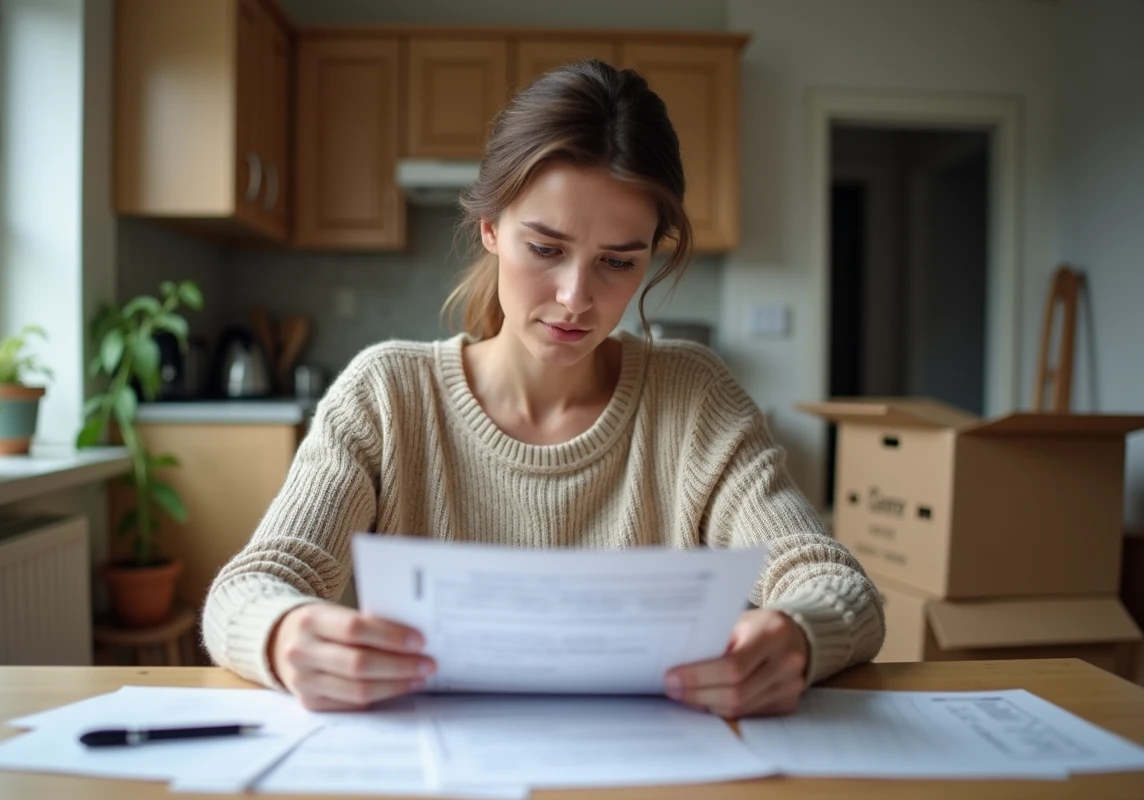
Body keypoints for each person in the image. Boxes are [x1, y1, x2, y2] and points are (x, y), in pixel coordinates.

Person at [202, 59, 884, 719]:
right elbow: (251, 585)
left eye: (617, 262)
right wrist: (283, 633)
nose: (575, 299)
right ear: (492, 227)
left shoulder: (695, 398)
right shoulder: (386, 395)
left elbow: (837, 586)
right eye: (547, 249)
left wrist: (797, 634)